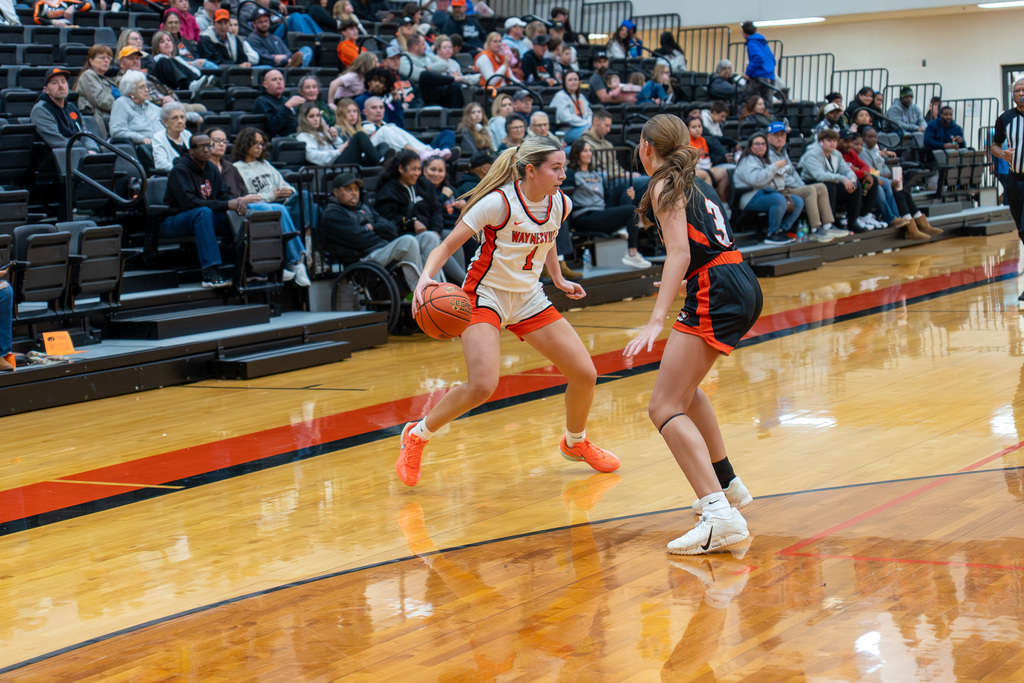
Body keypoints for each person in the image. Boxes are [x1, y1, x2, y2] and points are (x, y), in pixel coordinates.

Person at [396, 136, 620, 486]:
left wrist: (558, 279)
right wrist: (425, 280)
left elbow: (546, 241)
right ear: (531, 170)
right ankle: (417, 434)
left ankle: (575, 442)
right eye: (556, 168)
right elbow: (446, 245)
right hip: (485, 296)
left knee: (584, 374)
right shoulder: (498, 204)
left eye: (564, 167)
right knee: (482, 385)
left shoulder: (561, 203)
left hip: (529, 297)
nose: (564, 174)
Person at [624, 113, 761, 555]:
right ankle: (729, 485)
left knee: (663, 406)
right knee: (684, 392)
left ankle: (720, 515)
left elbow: (680, 254)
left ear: (646, 148)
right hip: (737, 278)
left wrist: (655, 317)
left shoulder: (664, 183)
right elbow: (697, 249)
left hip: (717, 288)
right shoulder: (693, 179)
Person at [162, 134, 263, 288]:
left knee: (238, 213)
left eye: (209, 145)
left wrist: (238, 203)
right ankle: (210, 272)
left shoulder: (211, 169)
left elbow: (223, 195)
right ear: (191, 152)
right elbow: (189, 203)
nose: (207, 149)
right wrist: (227, 204)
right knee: (203, 212)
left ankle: (248, 266)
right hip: (174, 220)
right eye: (201, 146)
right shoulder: (180, 170)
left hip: (203, 217)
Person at [320, 171, 437, 291]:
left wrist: (373, 228)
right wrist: (381, 235)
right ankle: (422, 293)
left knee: (429, 237)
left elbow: (392, 229)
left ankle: (437, 290)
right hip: (363, 259)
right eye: (348, 189)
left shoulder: (364, 208)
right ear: (336, 192)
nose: (354, 193)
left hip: (381, 249)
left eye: (356, 189)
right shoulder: (333, 214)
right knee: (408, 241)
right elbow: (361, 240)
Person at [229, 127, 312, 282]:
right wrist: (272, 195)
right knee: (278, 209)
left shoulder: (265, 164)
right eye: (256, 144)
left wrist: (287, 191)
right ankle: (297, 261)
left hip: (280, 202)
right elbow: (248, 198)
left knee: (305, 196)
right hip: (263, 208)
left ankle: (308, 244)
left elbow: (287, 186)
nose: (260, 147)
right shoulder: (236, 168)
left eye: (262, 144)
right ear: (246, 145)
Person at [374, 150, 466, 284]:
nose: (417, 173)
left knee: (439, 236)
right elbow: (388, 219)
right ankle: (463, 282)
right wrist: (411, 223)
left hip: (426, 233)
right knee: (435, 241)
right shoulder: (388, 190)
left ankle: (437, 289)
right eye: (413, 169)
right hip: (402, 236)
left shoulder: (423, 184)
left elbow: (436, 210)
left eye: (419, 169)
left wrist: (435, 229)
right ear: (401, 168)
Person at [565, 138, 650, 269]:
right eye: (585, 151)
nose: (589, 154)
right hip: (585, 216)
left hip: (600, 212)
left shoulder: (596, 173)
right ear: (576, 154)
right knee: (631, 210)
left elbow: (615, 177)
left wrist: (629, 191)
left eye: (590, 150)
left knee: (625, 189)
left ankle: (625, 227)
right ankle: (632, 254)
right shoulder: (571, 175)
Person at [856, 128, 939, 240]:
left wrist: (883, 176)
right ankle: (910, 228)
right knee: (898, 193)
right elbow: (871, 173)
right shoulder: (863, 152)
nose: (873, 139)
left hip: (882, 181)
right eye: (869, 137)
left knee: (904, 191)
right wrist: (886, 179)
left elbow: (886, 171)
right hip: (871, 184)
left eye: (875, 137)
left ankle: (922, 224)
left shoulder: (875, 151)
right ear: (862, 138)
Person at [765, 121, 841, 243]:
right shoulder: (767, 153)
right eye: (776, 135)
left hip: (789, 185)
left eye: (782, 135)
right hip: (777, 188)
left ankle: (828, 225)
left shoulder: (782, 151)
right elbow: (782, 176)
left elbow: (792, 171)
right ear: (769, 137)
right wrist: (801, 187)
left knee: (821, 187)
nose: (780, 138)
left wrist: (801, 185)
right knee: (810, 190)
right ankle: (816, 229)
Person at [733, 132, 803, 245]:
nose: (761, 146)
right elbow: (757, 180)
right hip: (749, 197)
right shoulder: (747, 160)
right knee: (778, 199)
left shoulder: (765, 160)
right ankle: (772, 234)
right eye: (757, 144)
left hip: (767, 193)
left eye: (763, 144)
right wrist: (775, 167)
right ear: (750, 146)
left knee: (798, 201)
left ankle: (782, 230)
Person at [799, 129, 871, 233]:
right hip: (810, 183)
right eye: (829, 140)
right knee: (830, 186)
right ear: (821, 141)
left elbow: (846, 170)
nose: (833, 143)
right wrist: (841, 178)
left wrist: (852, 179)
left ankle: (853, 221)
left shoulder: (836, 154)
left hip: (829, 181)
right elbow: (819, 175)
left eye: (834, 141)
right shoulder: (812, 153)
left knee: (856, 185)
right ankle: (829, 224)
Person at [31, 67, 101, 168]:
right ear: (46, 90)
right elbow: (57, 141)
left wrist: (92, 149)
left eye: (63, 82)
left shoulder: (71, 107)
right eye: (54, 83)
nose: (60, 86)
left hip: (76, 152)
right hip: (52, 159)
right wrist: (84, 150)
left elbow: (84, 134)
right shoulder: (41, 110)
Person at [990, 77, 1024, 258]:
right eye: (1017, 90)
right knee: (1021, 228)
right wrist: (1001, 154)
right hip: (1015, 179)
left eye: (1023, 90)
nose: (1020, 93)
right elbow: (995, 145)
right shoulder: (1005, 118)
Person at [362, 96, 450, 160]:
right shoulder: (362, 127)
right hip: (371, 155)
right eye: (374, 108)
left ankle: (428, 151)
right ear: (365, 112)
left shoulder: (389, 126)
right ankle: (420, 153)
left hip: (394, 152)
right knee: (386, 129)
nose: (378, 110)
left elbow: (400, 122)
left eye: (381, 107)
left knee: (391, 127)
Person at [295, 102, 379, 167]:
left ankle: (381, 162)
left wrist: (335, 139)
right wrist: (338, 151)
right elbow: (312, 156)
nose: (316, 119)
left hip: (338, 162)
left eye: (318, 116)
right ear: (304, 119)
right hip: (331, 167)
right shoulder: (304, 136)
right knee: (360, 135)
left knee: (383, 146)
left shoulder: (321, 133)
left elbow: (338, 147)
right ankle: (379, 163)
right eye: (311, 116)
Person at [837, 128, 884, 230]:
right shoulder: (836, 152)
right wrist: (863, 174)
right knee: (857, 182)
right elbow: (845, 170)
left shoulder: (851, 152)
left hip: (854, 178)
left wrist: (865, 174)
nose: (849, 144)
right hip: (840, 182)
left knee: (873, 180)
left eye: (850, 141)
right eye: (845, 141)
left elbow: (865, 166)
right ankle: (853, 220)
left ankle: (865, 215)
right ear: (837, 140)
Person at [400, 33, 463, 108]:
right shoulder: (404, 58)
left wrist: (428, 68)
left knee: (455, 87)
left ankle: (455, 116)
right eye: (423, 44)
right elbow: (419, 75)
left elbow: (445, 65)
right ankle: (453, 79)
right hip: (419, 92)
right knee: (427, 76)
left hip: (434, 88)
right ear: (415, 46)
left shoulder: (426, 56)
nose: (426, 47)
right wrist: (429, 71)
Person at [73, 45, 120, 136]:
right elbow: (102, 101)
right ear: (91, 61)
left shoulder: (105, 79)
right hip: (99, 121)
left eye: (108, 58)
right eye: (102, 57)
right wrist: (123, 107)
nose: (106, 60)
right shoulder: (88, 76)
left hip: (110, 117)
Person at [109, 70, 163, 145]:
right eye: (141, 88)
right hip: (142, 147)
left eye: (146, 86)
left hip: (162, 143)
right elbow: (117, 131)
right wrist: (142, 138)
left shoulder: (147, 104)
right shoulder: (121, 104)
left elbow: (167, 115)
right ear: (131, 93)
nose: (146, 90)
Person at [246, 8, 311, 68]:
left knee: (307, 50)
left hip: (285, 64)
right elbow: (265, 59)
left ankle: (295, 67)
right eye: (260, 22)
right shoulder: (252, 39)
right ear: (254, 24)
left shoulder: (275, 38)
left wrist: (283, 58)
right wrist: (284, 60)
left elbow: (289, 54)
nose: (264, 24)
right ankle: (296, 68)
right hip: (271, 68)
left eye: (266, 21)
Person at [687, 116, 730, 204]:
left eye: (699, 126)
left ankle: (722, 202)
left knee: (725, 173)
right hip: (693, 170)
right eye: (694, 127)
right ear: (687, 129)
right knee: (706, 175)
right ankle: (711, 205)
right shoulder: (686, 141)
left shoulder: (703, 140)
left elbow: (706, 157)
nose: (697, 129)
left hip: (705, 166)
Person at [254, 69, 304, 139]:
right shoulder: (262, 101)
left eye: (281, 79)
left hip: (297, 135)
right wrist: (286, 107)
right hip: (280, 140)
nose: (279, 82)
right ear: (265, 84)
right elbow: (272, 128)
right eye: (274, 79)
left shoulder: (285, 99)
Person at [550, 72, 592, 144]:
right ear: (564, 83)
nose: (573, 82)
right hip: (565, 131)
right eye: (570, 80)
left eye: (576, 79)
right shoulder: (560, 96)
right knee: (591, 132)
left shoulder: (581, 96)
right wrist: (586, 124)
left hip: (583, 126)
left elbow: (589, 113)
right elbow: (566, 118)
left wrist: (589, 123)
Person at [152, 102, 191, 174]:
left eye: (182, 117)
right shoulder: (159, 137)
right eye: (175, 118)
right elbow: (161, 165)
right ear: (165, 122)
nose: (180, 121)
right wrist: (185, 170)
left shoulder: (187, 134)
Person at [741, 21, 776, 100]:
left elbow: (758, 57)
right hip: (770, 77)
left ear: (744, 33)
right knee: (766, 105)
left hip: (760, 77)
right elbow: (773, 60)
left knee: (749, 101)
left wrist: (748, 73)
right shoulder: (763, 42)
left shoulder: (752, 42)